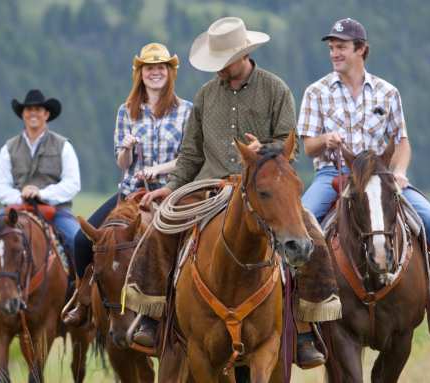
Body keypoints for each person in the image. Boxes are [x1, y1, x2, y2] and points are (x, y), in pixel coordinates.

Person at [133, 17, 341, 368]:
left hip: (265, 182)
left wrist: (267, 148)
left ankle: (306, 329)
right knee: (161, 226)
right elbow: (190, 154)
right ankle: (153, 316)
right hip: (210, 185)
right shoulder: (205, 95)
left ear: (241, 56)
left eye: (222, 63)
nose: (217, 70)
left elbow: (290, 146)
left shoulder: (276, 90)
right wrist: (169, 189)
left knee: (312, 239)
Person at [297, 18, 430, 290]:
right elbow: (308, 146)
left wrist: (399, 172)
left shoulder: (388, 93)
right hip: (333, 174)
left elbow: (402, 142)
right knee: (302, 225)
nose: (334, 53)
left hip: (380, 178)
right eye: (332, 47)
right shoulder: (316, 92)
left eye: (341, 47)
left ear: (361, 50)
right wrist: (326, 139)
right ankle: (294, 302)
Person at [62, 42, 192, 326]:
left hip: (171, 192)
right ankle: (82, 300)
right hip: (131, 193)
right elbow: (121, 163)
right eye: (149, 68)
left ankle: (180, 305)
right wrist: (128, 150)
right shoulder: (126, 111)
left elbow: (188, 157)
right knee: (82, 240)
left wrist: (157, 168)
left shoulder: (186, 111)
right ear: (140, 73)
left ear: (170, 73)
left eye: (161, 68)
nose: (155, 73)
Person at [0, 89, 81, 273]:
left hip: (56, 211)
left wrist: (41, 194)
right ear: (22, 114)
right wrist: (21, 196)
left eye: (38, 109)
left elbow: (72, 183)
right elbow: (0, 186)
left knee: (79, 241)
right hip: (16, 210)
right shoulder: (9, 147)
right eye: (28, 110)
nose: (33, 113)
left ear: (47, 114)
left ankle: (85, 295)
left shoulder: (64, 146)